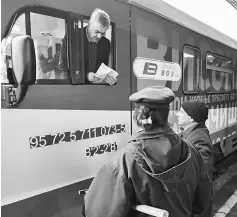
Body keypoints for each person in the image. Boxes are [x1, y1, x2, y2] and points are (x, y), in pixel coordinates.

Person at [83, 86, 211, 217]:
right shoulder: (192, 151)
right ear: (167, 113)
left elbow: (98, 212)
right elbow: (203, 203)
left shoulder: (122, 161)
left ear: (140, 116)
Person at [58, 8, 117, 85]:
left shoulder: (105, 43)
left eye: (103, 33)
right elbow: (63, 65)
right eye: (96, 31)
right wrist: (86, 75)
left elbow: (102, 69)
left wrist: (107, 78)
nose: (99, 36)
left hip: (96, 89)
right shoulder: (72, 36)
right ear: (89, 24)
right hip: (73, 87)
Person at [177, 99, 214, 217]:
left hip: (196, 207)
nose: (177, 114)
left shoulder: (198, 138)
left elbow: (200, 172)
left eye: (181, 112)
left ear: (191, 118)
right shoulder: (192, 133)